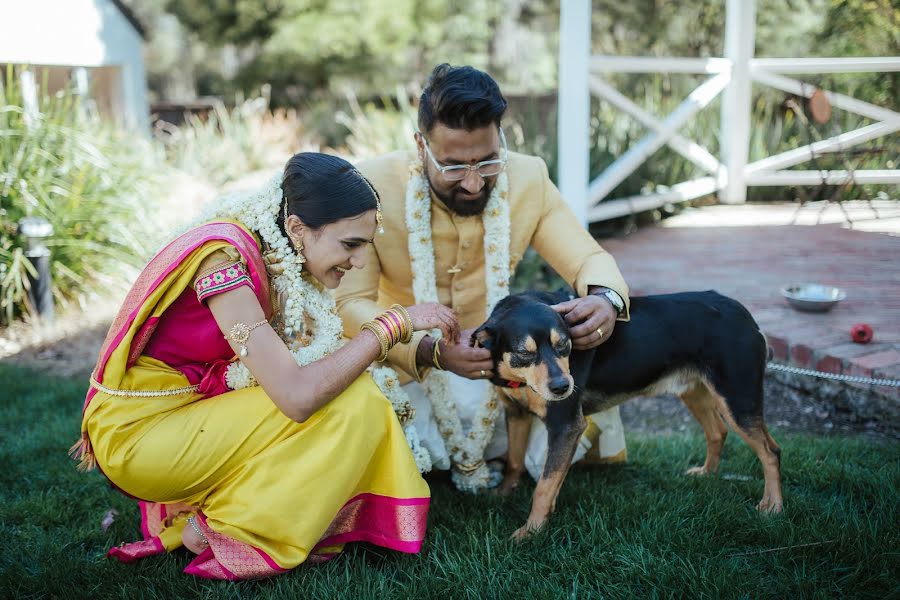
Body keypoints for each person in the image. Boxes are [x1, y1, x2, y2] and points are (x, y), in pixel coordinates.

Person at [72, 152, 459, 579]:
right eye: (350, 244)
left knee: (353, 395)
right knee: (350, 401)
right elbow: (296, 397)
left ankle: (239, 515)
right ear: (296, 228)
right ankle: (228, 528)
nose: (361, 261)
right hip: (140, 435)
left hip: (188, 415)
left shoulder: (274, 255)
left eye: (367, 244)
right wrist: (390, 327)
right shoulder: (224, 263)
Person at [335, 64, 631, 491]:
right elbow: (349, 304)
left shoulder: (528, 177)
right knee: (370, 423)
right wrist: (428, 351)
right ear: (421, 147)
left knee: (574, 392)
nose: (474, 184)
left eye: (488, 160)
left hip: (499, 363)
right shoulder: (372, 186)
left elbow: (587, 259)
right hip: (401, 358)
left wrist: (606, 299)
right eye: (454, 167)